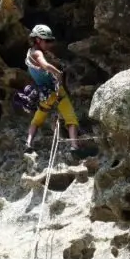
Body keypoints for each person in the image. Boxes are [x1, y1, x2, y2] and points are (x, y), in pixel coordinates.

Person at [25, 24, 95, 158]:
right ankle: (74, 147)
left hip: (44, 94)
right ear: (38, 40)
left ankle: (28, 144)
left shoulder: (29, 54)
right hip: (56, 91)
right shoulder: (37, 53)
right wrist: (58, 73)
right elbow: (45, 65)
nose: (49, 44)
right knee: (71, 118)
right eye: (47, 41)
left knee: (37, 119)